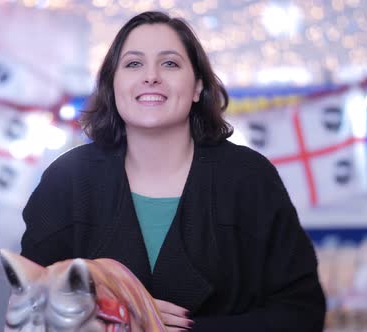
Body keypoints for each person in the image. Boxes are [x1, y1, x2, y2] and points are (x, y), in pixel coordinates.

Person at [20, 11, 325, 331]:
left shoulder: (249, 177)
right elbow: (30, 303)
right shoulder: (66, 180)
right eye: (133, 64)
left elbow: (301, 312)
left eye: (170, 63)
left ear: (197, 88)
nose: (151, 76)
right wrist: (116, 316)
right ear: (112, 85)